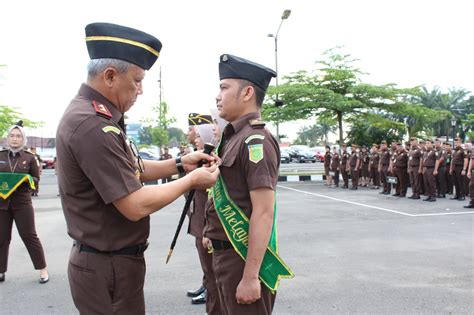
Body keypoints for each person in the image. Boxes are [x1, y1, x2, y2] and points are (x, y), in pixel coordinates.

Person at [55, 22, 219, 314]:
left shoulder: (98, 116)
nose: (141, 90)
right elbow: (134, 204)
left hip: (113, 263)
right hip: (108, 265)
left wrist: (181, 163)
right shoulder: (92, 125)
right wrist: (192, 180)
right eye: (137, 80)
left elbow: (134, 167)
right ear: (109, 76)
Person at [203, 54, 293, 315]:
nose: (217, 96)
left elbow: (264, 211)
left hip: (241, 259)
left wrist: (251, 276)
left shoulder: (256, 140)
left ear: (247, 93)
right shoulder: (233, 137)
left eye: (224, 87)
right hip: (225, 255)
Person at [0, 122, 49, 284]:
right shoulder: (1, 155)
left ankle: (42, 269)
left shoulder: (29, 158)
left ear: (23, 139)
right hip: (2, 204)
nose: (15, 139)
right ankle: (1, 270)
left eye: (18, 136)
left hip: (22, 204)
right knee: (2, 237)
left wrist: (26, 180)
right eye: (12, 135)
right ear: (7, 138)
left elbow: (36, 179)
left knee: (29, 236)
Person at [187, 119, 222, 313]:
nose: (196, 139)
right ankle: (207, 288)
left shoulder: (211, 161)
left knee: (212, 270)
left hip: (207, 223)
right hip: (198, 220)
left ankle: (210, 292)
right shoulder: (198, 159)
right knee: (207, 268)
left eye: (200, 136)